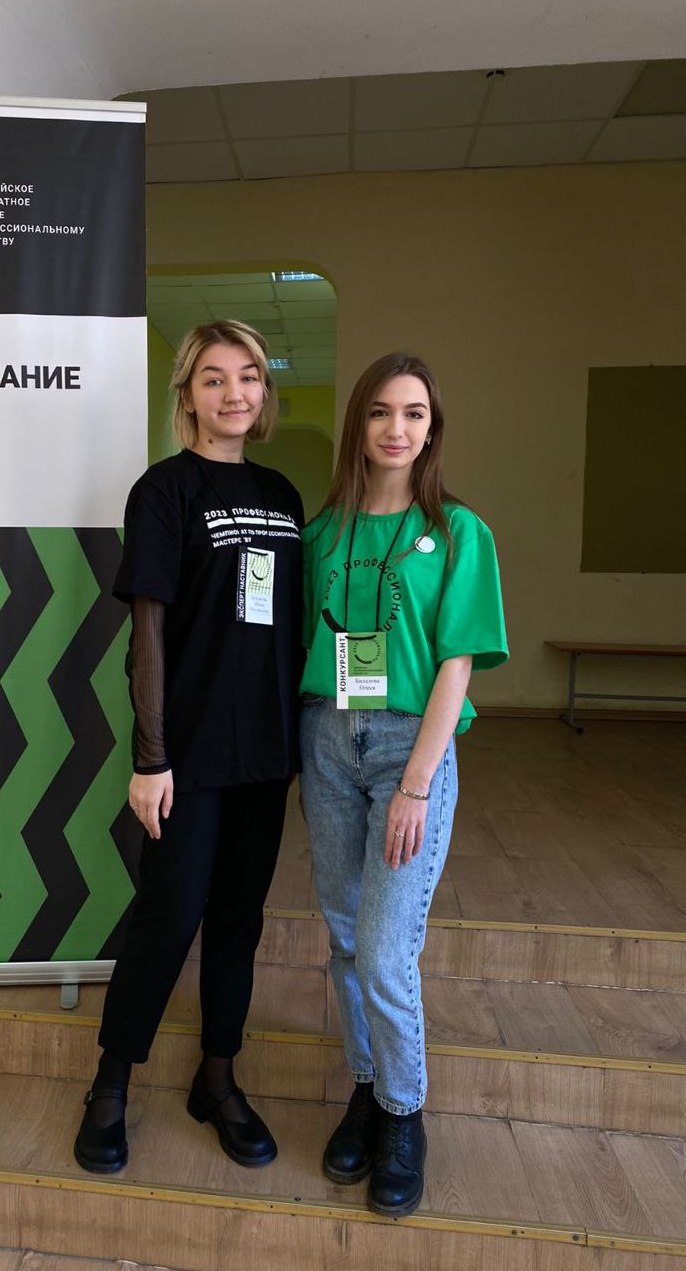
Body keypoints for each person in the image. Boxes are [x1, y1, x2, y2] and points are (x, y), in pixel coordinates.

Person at [74, 320, 305, 1174]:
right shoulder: (164, 491)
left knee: (238, 921)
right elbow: (147, 632)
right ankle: (110, 1083)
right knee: (169, 916)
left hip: (266, 750)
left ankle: (218, 1078)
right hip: (188, 754)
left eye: (248, 376)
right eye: (214, 377)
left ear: (263, 393)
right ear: (188, 395)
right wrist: (150, 757)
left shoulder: (283, 495)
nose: (233, 392)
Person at [299, 352, 507, 1216]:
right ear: (359, 425)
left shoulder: (458, 532)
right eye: (381, 411)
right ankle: (366, 1087)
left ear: (432, 428)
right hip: (325, 738)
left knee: (387, 949)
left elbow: (458, 661)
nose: (397, 428)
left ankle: (402, 1111)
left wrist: (418, 782)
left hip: (408, 750)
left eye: (414, 413)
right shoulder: (323, 532)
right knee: (347, 936)